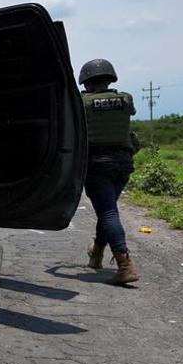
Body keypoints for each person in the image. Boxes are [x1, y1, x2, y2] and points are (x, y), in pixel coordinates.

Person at [78, 58, 140, 286]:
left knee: (108, 213)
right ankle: (96, 255)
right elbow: (130, 114)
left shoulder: (82, 102)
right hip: (123, 163)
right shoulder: (125, 99)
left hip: (97, 164)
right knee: (108, 209)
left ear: (86, 82)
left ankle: (125, 265)